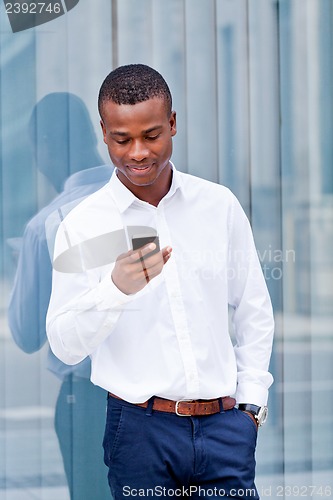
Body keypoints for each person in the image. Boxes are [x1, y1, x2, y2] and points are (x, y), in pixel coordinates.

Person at [46, 64, 274, 499]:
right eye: (121, 139)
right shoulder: (84, 227)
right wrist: (114, 290)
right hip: (138, 433)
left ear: (172, 124)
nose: (137, 152)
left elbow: (253, 309)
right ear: (103, 132)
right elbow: (63, 343)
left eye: (151, 136)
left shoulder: (217, 206)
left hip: (226, 426)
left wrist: (250, 407)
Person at [8, 92, 112, 499]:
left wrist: (27, 264)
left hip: (86, 403)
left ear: (46, 146)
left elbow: (27, 334)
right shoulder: (149, 201)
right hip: (159, 397)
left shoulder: (47, 225)